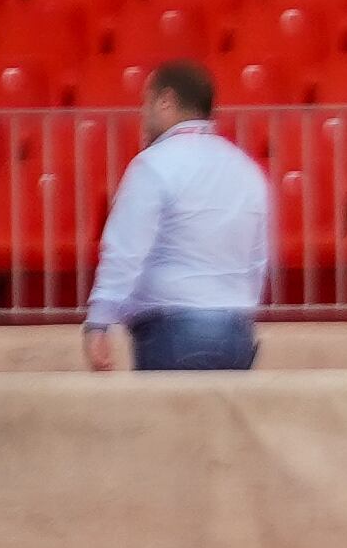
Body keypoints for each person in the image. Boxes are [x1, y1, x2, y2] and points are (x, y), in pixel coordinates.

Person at [80, 61, 270, 371]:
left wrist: (99, 321)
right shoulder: (247, 170)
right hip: (236, 329)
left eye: (146, 103)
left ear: (165, 101)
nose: (142, 115)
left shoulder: (153, 165)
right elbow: (258, 260)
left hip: (173, 330)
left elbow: (125, 251)